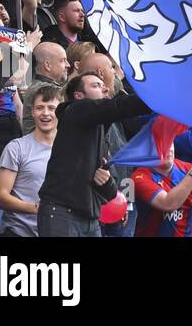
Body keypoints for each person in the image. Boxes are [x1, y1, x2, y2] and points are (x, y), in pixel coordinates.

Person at [36, 68, 149, 237]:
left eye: (104, 85)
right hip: (62, 214)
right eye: (96, 85)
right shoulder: (75, 110)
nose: (105, 89)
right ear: (79, 96)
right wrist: (155, 98)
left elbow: (103, 182)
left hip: (90, 218)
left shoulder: (100, 130)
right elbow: (119, 106)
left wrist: (109, 185)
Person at [0, 83, 59, 238]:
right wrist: (37, 208)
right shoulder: (16, 148)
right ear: (32, 112)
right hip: (18, 232)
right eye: (40, 108)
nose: (45, 113)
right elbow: (0, 197)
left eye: (51, 108)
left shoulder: (70, 149)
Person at [132, 144, 192, 238]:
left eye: (170, 142)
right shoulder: (140, 176)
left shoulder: (187, 169)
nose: (169, 149)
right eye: (162, 144)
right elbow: (167, 204)